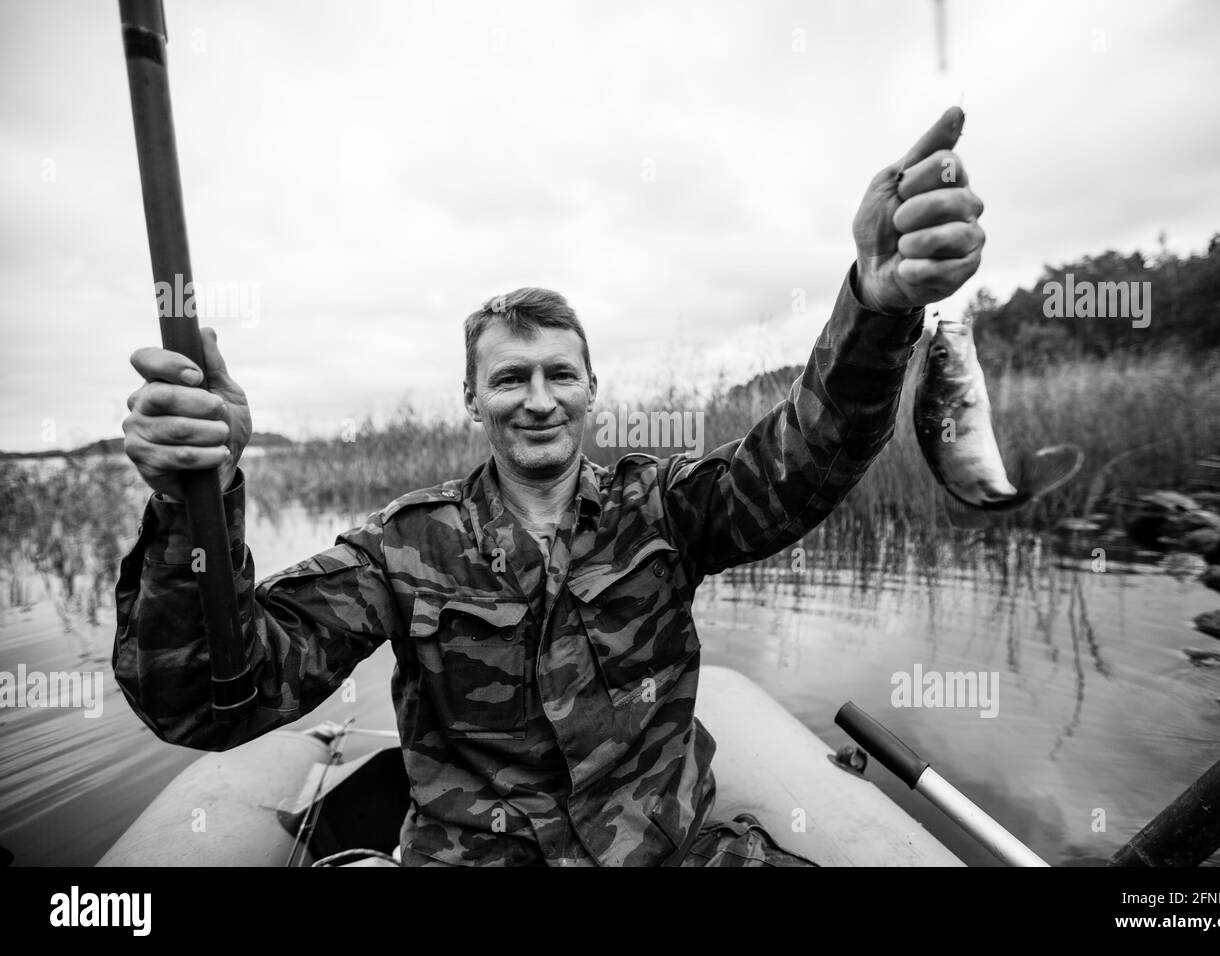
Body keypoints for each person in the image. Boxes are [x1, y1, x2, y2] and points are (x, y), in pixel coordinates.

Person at [115, 107, 984, 866]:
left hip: (665, 853)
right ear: (472, 400)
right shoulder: (401, 548)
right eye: (510, 378)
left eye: (560, 374)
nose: (538, 400)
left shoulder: (667, 508)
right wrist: (194, 498)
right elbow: (211, 706)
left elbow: (806, 461)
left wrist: (878, 304)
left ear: (592, 389)